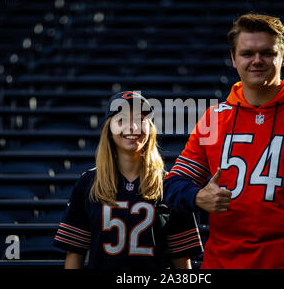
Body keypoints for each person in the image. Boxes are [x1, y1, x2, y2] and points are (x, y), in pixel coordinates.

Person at [163, 13, 284, 269]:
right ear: (233, 58)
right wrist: (197, 197)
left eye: (267, 53)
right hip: (221, 264)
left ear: (283, 56)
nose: (257, 61)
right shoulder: (214, 118)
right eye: (247, 53)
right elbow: (173, 185)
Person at [54, 91, 203, 269]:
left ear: (150, 128)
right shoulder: (88, 183)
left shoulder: (170, 184)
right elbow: (75, 254)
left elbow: (182, 261)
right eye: (122, 120)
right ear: (109, 129)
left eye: (140, 119)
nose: (132, 127)